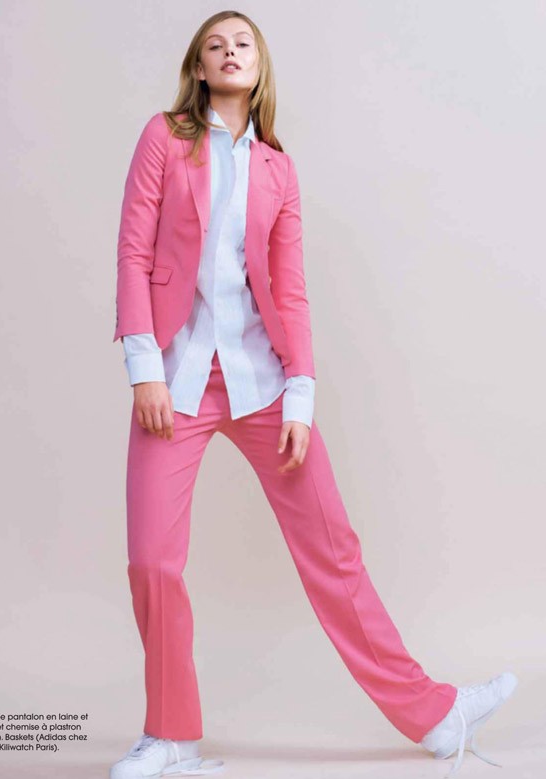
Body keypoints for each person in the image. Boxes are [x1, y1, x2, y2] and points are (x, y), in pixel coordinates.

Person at [109, 10, 517, 779]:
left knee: (333, 552)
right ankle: (171, 737)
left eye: (243, 44)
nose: (231, 53)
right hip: (177, 375)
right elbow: (133, 249)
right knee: (152, 561)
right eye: (215, 45)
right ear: (198, 68)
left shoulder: (278, 170)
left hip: (263, 381)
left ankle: (437, 717)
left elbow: (288, 289)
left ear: (259, 65)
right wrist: (144, 368)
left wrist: (299, 394)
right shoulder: (164, 138)